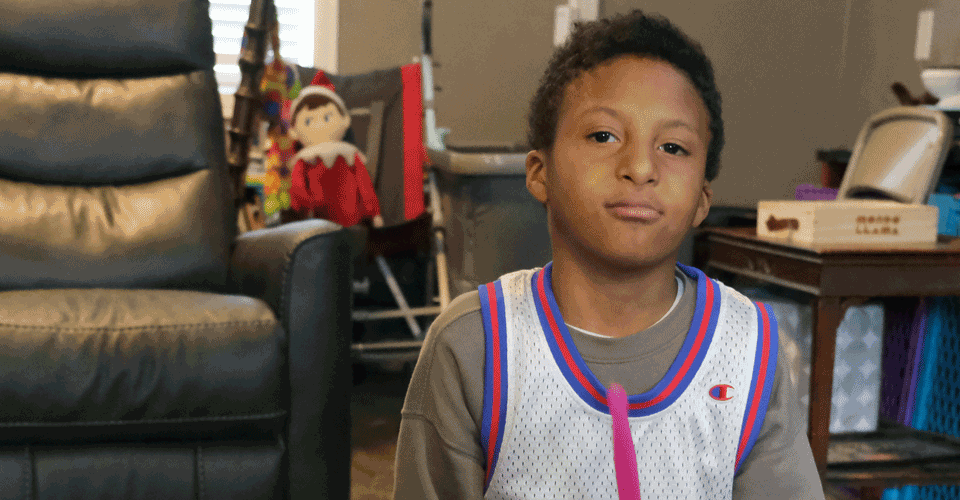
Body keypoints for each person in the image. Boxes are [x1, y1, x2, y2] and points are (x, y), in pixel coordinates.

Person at [394, 9, 824, 500]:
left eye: (673, 147)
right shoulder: (474, 348)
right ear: (539, 172)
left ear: (703, 197)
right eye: (604, 136)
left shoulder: (750, 350)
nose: (640, 167)